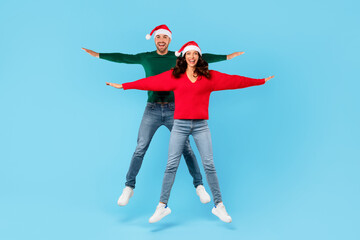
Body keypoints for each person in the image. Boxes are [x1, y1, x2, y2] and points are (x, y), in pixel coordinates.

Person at [106, 41, 274, 223]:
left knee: (209, 164)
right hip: (179, 125)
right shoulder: (174, 76)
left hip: (201, 125)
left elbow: (235, 81)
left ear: (199, 57)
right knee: (171, 165)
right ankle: (162, 206)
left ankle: (219, 206)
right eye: (188, 54)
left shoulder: (209, 77)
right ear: (184, 57)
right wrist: (125, 85)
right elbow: (151, 82)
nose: (192, 57)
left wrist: (260, 81)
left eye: (195, 54)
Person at [82, 25, 245, 206]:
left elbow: (200, 57)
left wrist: (227, 57)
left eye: (165, 38)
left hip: (174, 110)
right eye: (158, 37)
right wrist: (98, 55)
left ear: (169, 40)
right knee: (140, 147)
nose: (161, 40)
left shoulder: (179, 58)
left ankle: (199, 185)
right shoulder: (146, 57)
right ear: (154, 39)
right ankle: (129, 187)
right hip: (151, 109)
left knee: (187, 149)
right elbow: (124, 58)